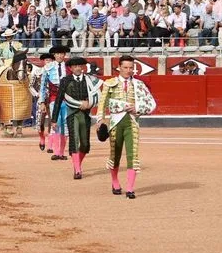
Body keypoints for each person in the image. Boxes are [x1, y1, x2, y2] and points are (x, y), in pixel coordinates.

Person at [97, 55, 157, 199]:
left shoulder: (139, 84)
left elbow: (150, 104)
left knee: (133, 155)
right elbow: (102, 103)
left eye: (131, 68)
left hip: (132, 122)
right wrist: (100, 120)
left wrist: (138, 108)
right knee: (115, 155)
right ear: (119, 67)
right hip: (115, 123)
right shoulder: (109, 83)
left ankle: (130, 188)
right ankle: (115, 182)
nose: (128, 70)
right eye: (125, 67)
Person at [52, 57, 101, 180]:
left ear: (83, 67)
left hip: (85, 114)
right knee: (74, 139)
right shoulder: (65, 81)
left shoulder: (89, 80)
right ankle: (77, 170)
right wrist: (54, 119)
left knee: (85, 144)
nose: (78, 68)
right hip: (72, 114)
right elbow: (58, 100)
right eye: (75, 66)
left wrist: (89, 103)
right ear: (71, 68)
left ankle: (77, 163)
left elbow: (97, 96)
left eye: (80, 66)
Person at [38, 45, 70, 161]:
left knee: (65, 124)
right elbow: (42, 86)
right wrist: (42, 101)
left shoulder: (69, 67)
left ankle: (61, 152)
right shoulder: (48, 67)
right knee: (56, 124)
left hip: (67, 99)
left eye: (62, 53)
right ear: (54, 55)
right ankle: (56, 152)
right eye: (58, 54)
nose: (60, 56)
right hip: (53, 98)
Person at [0, 28, 24, 104]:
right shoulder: (2, 45)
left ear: (13, 36)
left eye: (10, 36)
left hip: (16, 63)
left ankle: (31, 92)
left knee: (28, 74)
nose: (9, 38)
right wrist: (1, 64)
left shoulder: (18, 44)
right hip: (6, 64)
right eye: (7, 37)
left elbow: (21, 54)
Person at [30, 52, 53, 152]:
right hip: (41, 100)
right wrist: (37, 94)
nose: (48, 62)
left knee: (53, 122)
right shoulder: (37, 72)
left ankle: (51, 144)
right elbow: (30, 86)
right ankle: (42, 138)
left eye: (50, 60)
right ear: (43, 61)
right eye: (46, 60)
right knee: (39, 123)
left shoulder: (55, 72)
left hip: (52, 99)